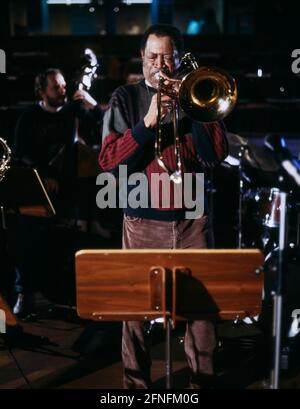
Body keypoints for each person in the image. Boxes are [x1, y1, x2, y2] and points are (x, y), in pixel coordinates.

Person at [99, 24, 228, 388]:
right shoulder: (124, 97)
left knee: (203, 313)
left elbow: (216, 155)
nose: (160, 64)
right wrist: (148, 122)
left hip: (193, 221)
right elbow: (109, 162)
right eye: (152, 56)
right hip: (142, 221)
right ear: (142, 59)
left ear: (178, 58)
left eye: (167, 56)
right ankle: (136, 387)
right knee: (135, 315)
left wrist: (196, 109)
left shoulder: (199, 93)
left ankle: (202, 383)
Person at [11, 68, 105, 316]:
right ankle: (25, 292)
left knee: (76, 236)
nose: (62, 91)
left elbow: (105, 124)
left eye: (63, 86)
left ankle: (74, 293)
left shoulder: (74, 111)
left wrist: (92, 104)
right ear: (42, 91)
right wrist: (44, 175)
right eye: (56, 88)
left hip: (70, 187)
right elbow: (20, 154)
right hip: (40, 186)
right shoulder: (30, 117)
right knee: (27, 233)